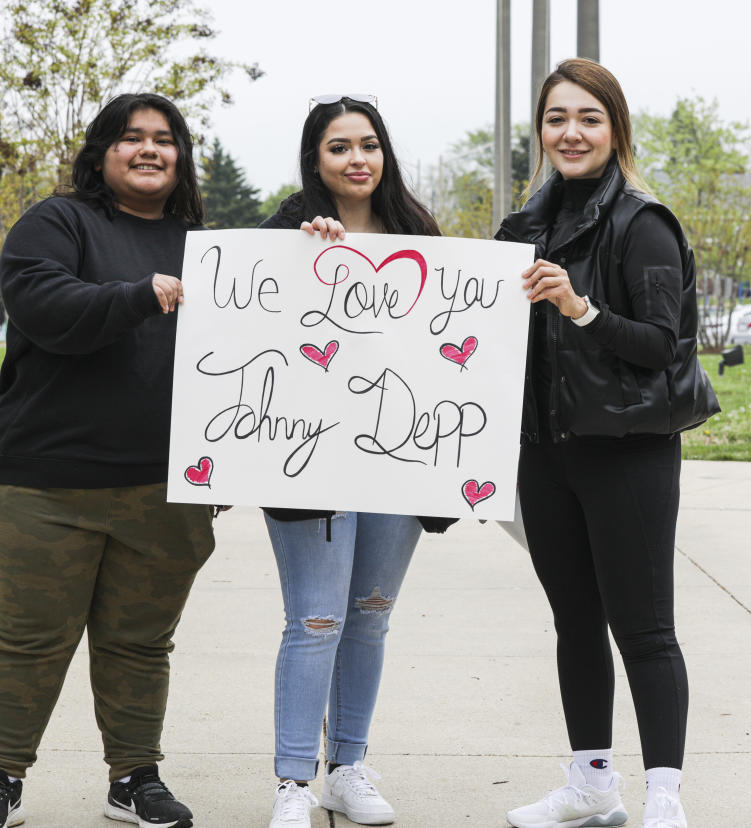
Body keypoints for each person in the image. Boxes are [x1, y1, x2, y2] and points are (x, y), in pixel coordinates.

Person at [0, 93, 215, 828]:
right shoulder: (56, 221)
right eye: (132, 138)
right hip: (42, 482)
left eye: (165, 140)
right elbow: (46, 305)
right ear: (102, 151)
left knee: (140, 644)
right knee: (29, 640)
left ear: (181, 157)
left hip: (166, 486)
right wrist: (139, 296)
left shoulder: (205, 247)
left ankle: (134, 776)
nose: (150, 150)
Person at [495, 59, 718, 828]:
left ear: (615, 128)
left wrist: (581, 308)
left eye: (588, 117)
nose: (571, 132)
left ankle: (664, 797)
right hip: (547, 455)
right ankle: (591, 786)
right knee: (575, 624)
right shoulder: (521, 227)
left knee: (645, 629)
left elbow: (663, 343)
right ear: (542, 132)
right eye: (557, 118)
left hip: (628, 451)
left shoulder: (642, 221)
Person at [257, 94, 450, 828]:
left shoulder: (419, 234)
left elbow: (452, 346)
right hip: (310, 454)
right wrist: (301, 254)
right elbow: (251, 326)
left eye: (368, 144)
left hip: (399, 455)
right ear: (316, 159)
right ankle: (292, 782)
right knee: (313, 619)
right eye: (339, 147)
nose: (357, 159)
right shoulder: (287, 231)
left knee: (369, 615)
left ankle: (349, 767)